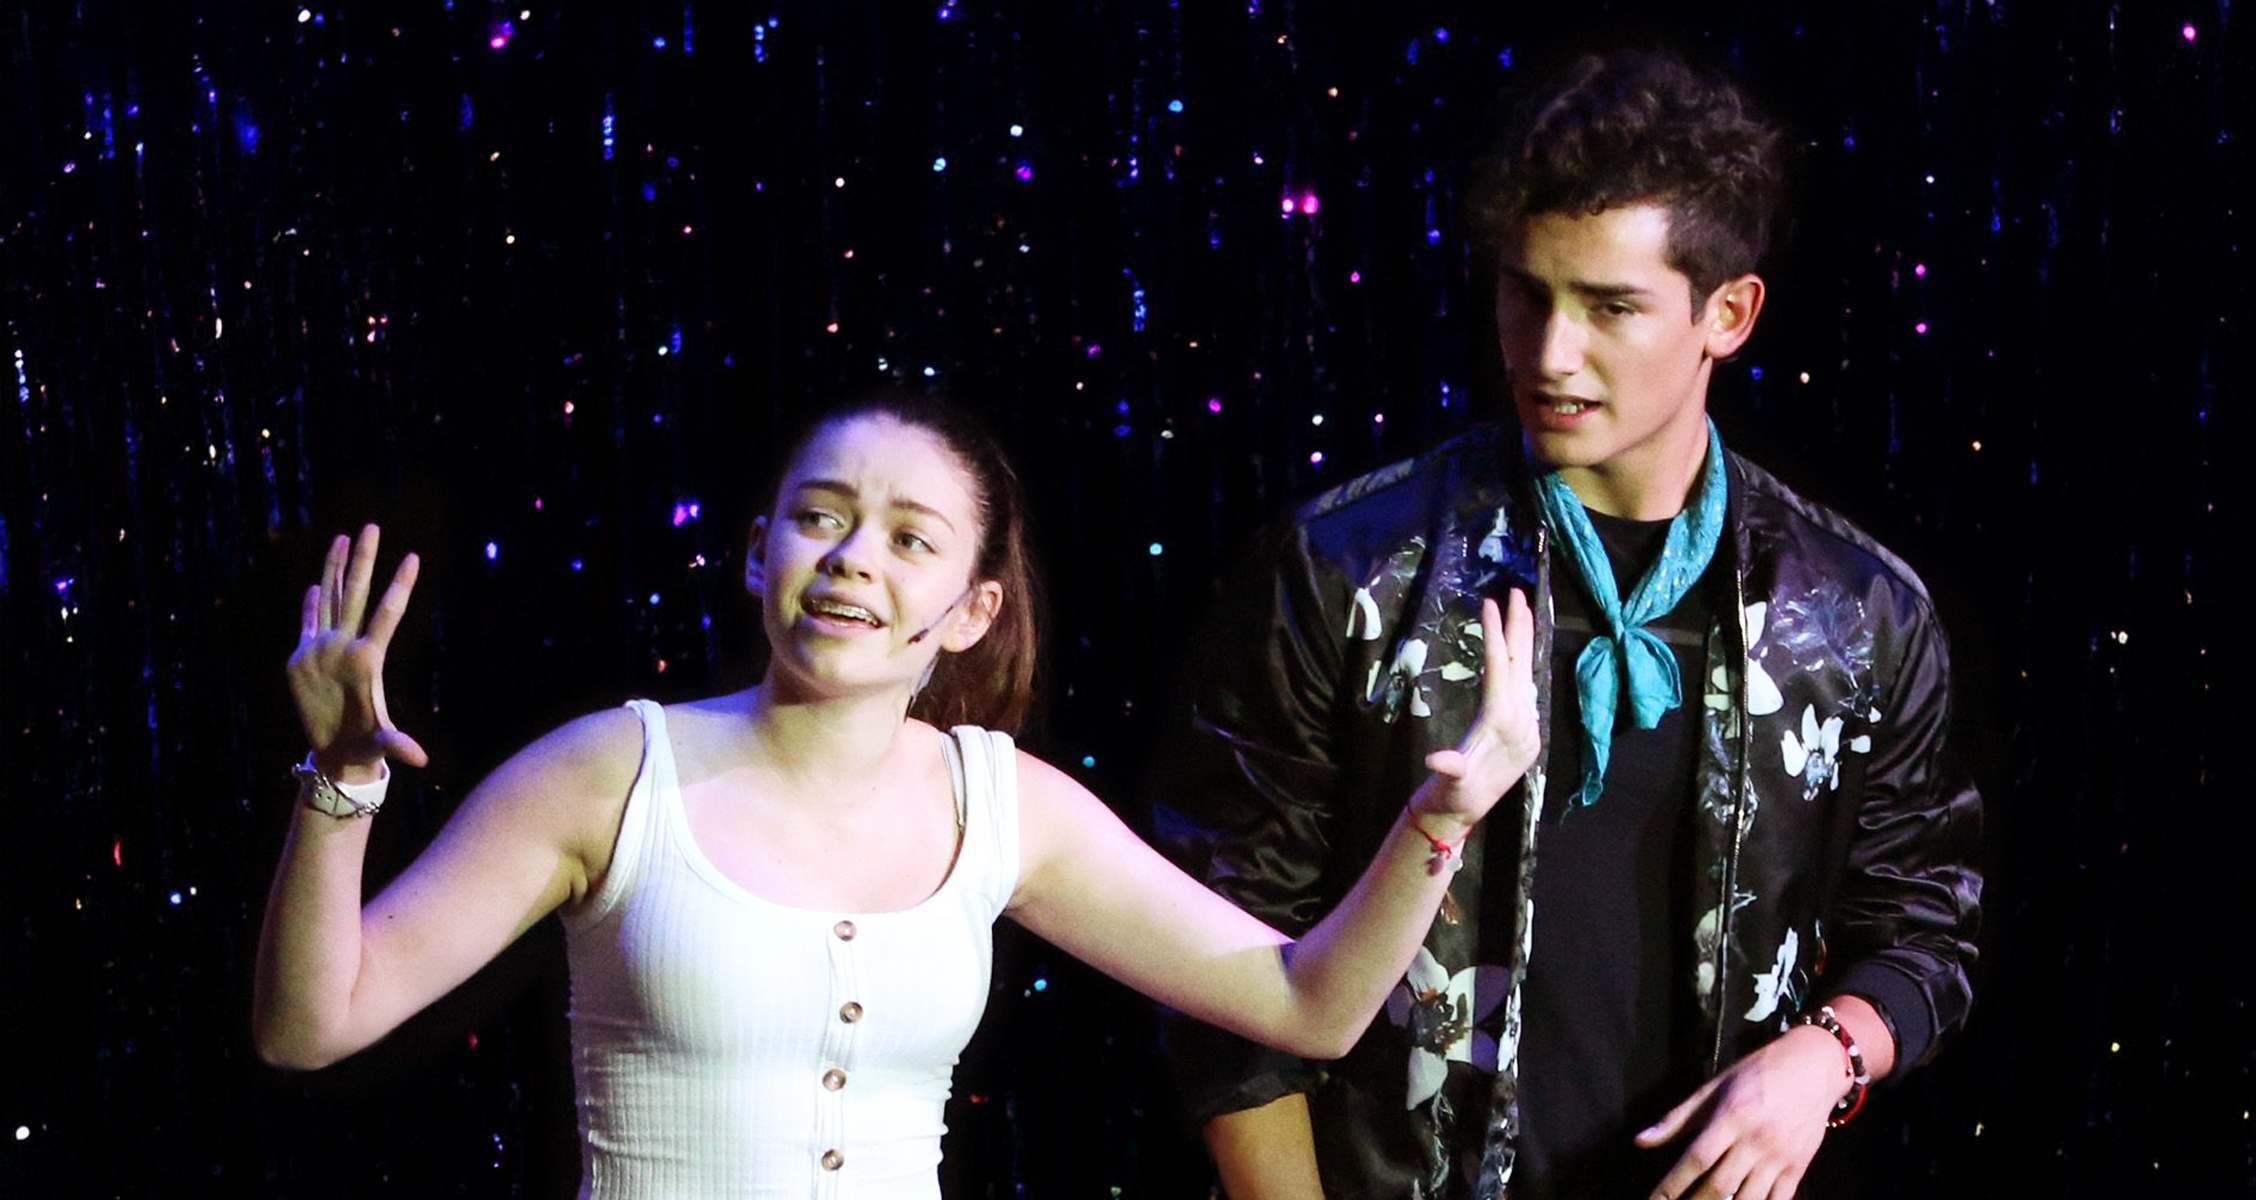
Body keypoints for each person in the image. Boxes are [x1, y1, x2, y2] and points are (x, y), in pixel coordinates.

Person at [252, 389, 1542, 1199]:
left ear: (973, 610)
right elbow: (313, 1025)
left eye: (911, 538)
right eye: (820, 517)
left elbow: (1307, 1005)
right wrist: (341, 780)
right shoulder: (610, 773)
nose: (853, 560)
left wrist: (1445, 815)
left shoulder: (1006, 805)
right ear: (760, 548)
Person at [1153, 47, 1983, 1200]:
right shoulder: (1349, 569)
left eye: (1610, 307)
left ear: (1728, 314)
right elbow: (1215, 945)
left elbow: (1929, 928)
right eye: (1525, 291)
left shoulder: (1853, 613)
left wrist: (1822, 1059)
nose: (1549, 353)